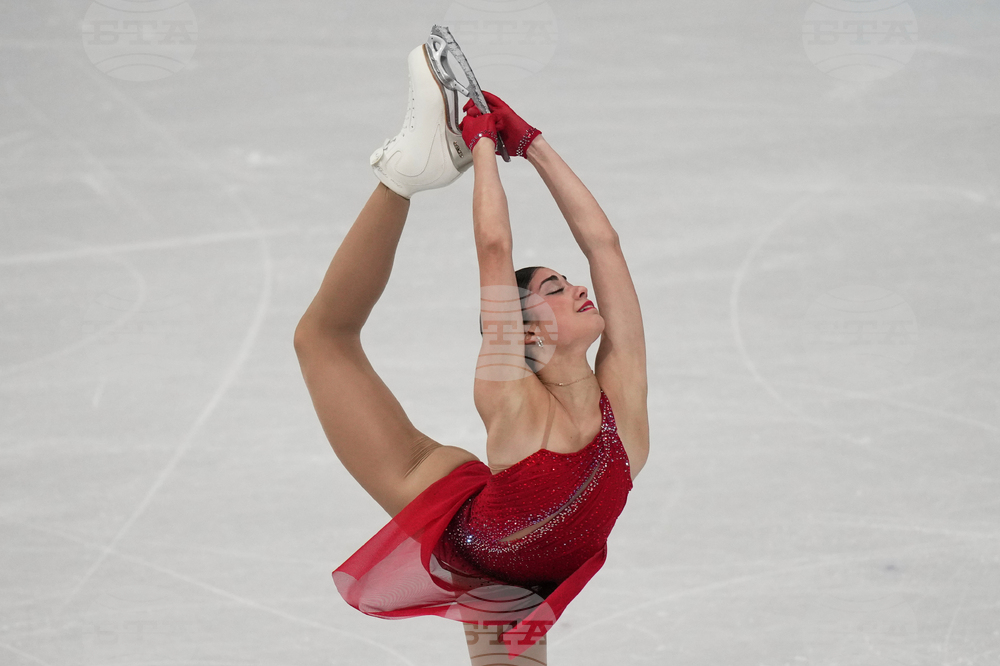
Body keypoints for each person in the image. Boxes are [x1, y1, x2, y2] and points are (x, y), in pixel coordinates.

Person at [293, 39, 648, 665]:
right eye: (555, 290)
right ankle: (403, 175)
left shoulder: (622, 392)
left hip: (519, 568)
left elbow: (606, 246)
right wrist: (481, 144)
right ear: (526, 334)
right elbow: (493, 248)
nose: (580, 289)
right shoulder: (510, 397)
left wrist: (529, 142)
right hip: (470, 538)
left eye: (567, 282)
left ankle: (415, 169)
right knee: (323, 339)